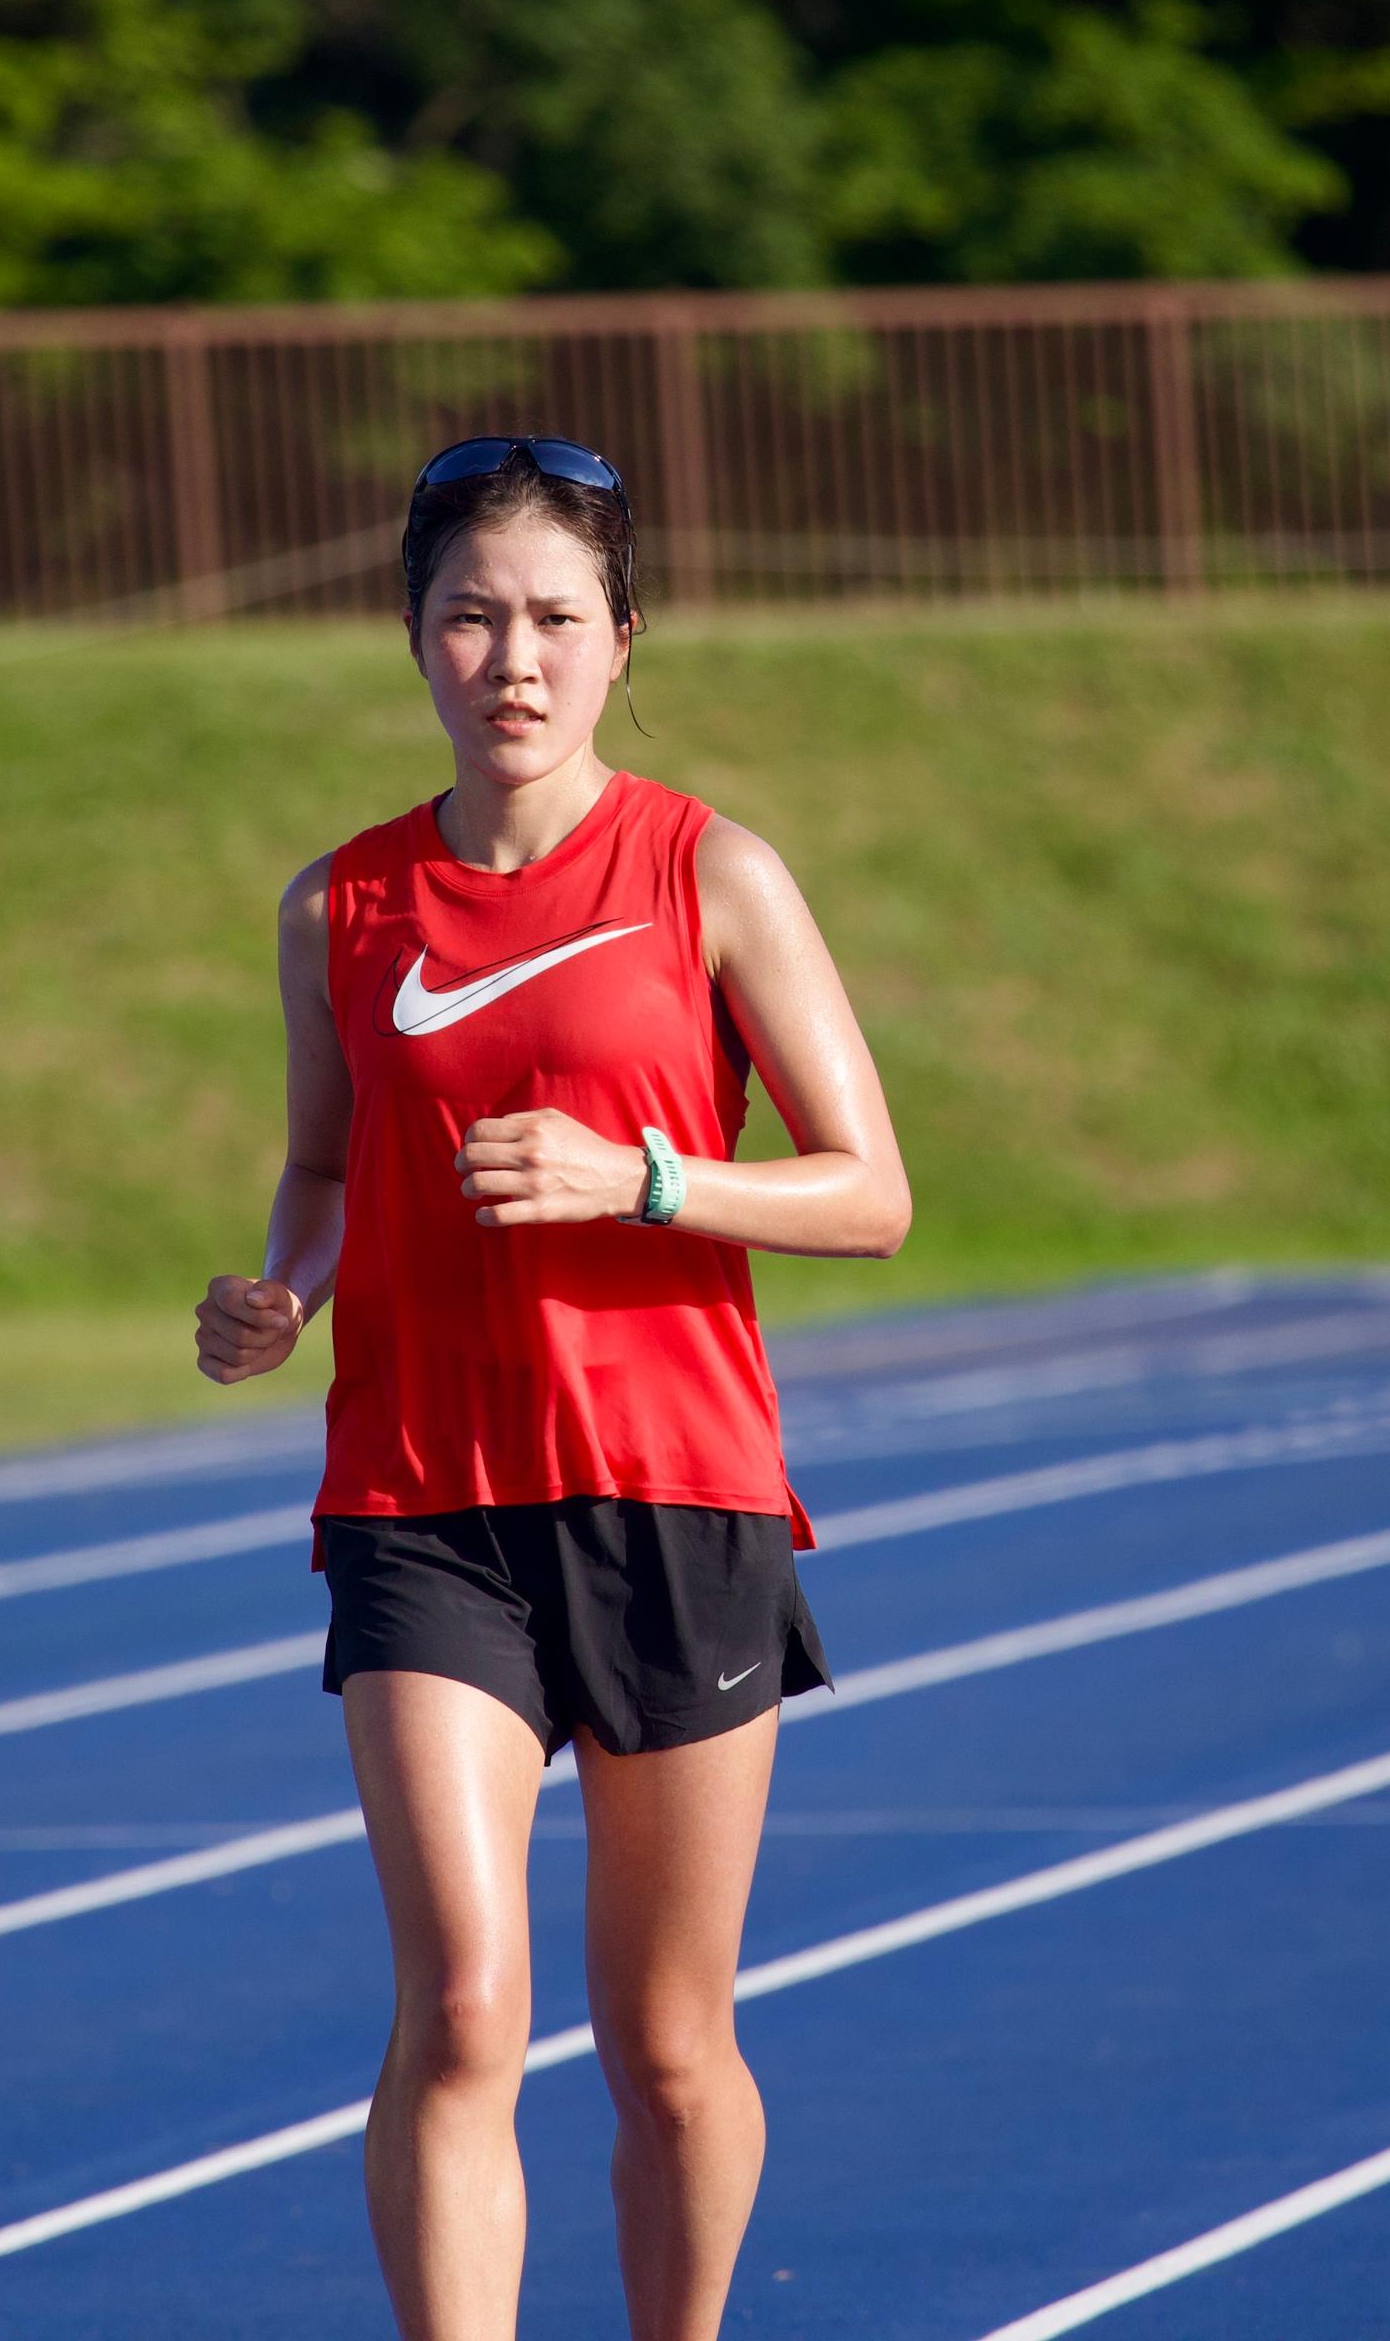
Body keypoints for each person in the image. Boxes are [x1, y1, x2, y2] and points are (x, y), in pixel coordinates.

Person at [195, 434, 913, 2340]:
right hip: (422, 1505)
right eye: (470, 617)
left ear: (621, 642)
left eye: (553, 622)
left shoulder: (713, 871)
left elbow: (876, 1193)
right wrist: (283, 1288)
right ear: (415, 640)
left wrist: (648, 1177)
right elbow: (333, 1170)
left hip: (677, 1497)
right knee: (462, 2014)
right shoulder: (340, 909)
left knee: (670, 2050)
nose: (511, 659)